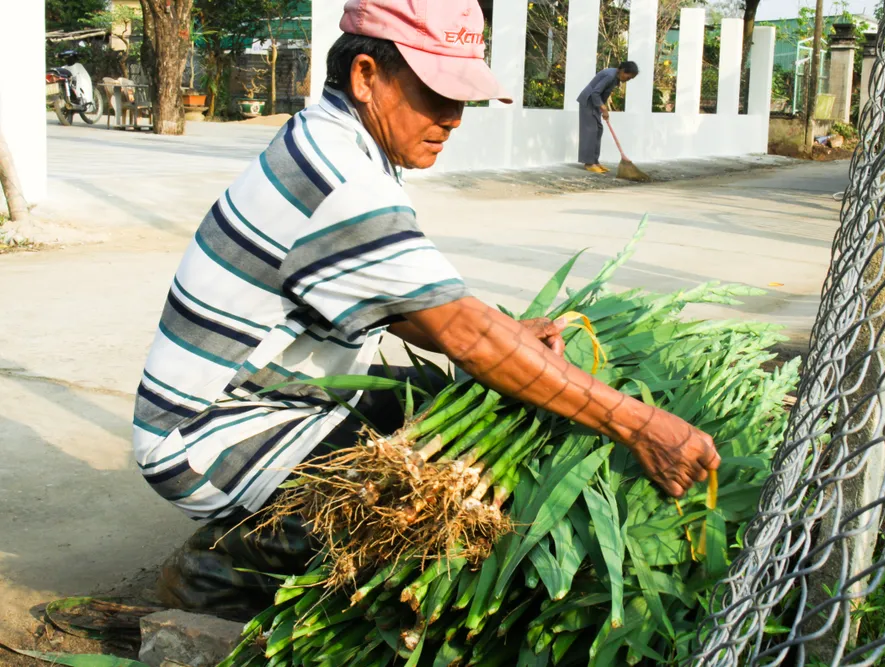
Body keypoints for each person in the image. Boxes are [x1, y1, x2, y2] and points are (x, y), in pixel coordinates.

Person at [135, 0, 718, 618]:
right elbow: (466, 334)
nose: (452, 119)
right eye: (436, 93)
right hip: (213, 432)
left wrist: (505, 333)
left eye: (462, 99)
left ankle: (263, 538)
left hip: (275, 395)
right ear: (366, 75)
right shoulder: (342, 180)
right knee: (421, 506)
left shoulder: (329, 138)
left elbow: (402, 302)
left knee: (443, 409)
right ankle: (219, 574)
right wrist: (641, 426)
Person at [577, 61, 639, 173]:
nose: (628, 80)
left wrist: (601, 107)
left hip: (595, 104)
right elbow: (595, 93)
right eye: (628, 77)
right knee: (591, 131)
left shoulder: (615, 77)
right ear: (623, 71)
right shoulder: (610, 76)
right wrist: (604, 108)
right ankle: (589, 163)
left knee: (598, 130)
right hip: (588, 102)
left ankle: (595, 161)